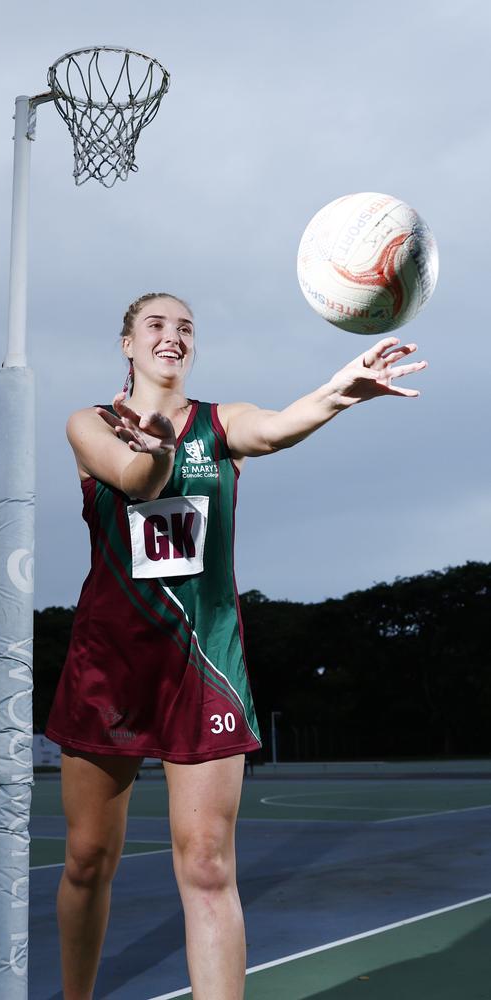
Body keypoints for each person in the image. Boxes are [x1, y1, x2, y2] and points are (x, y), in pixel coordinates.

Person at [45, 292, 427, 1000]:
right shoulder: (91, 425)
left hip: (204, 669)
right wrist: (154, 451)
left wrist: (339, 392)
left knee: (209, 866)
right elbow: (135, 478)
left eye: (186, 327)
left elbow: (279, 428)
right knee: (89, 858)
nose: (173, 335)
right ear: (127, 344)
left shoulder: (222, 425)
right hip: (110, 668)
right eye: (156, 324)